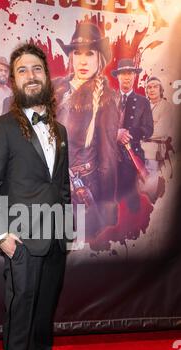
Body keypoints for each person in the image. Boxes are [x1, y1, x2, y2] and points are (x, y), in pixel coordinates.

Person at [0, 43, 71, 350]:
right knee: (21, 307)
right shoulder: (1, 127)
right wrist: (1, 235)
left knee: (46, 303)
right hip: (21, 237)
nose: (31, 75)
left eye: (37, 69)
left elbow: (61, 186)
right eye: (22, 70)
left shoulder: (60, 129)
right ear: (13, 81)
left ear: (47, 77)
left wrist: (65, 231)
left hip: (55, 235)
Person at [54, 22, 119, 240]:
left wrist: (107, 206)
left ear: (99, 58)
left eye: (89, 54)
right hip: (48, 185)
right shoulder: (55, 87)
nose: (83, 61)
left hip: (81, 190)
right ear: (70, 57)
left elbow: (108, 157)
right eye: (77, 53)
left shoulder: (106, 100)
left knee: (75, 256)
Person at [112, 58, 154, 212]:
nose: (127, 77)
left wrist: (129, 134)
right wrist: (115, 134)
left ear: (135, 76)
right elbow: (98, 129)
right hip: (109, 157)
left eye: (130, 73)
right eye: (123, 73)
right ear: (117, 76)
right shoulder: (108, 100)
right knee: (111, 198)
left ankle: (134, 229)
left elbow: (148, 129)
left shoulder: (143, 102)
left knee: (130, 199)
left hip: (131, 156)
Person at [140, 76, 175, 202]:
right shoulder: (143, 106)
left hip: (154, 151)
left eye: (155, 86)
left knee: (150, 183)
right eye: (149, 87)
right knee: (137, 183)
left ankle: (150, 205)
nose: (152, 89)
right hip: (138, 150)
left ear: (161, 89)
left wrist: (140, 132)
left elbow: (161, 131)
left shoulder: (166, 107)